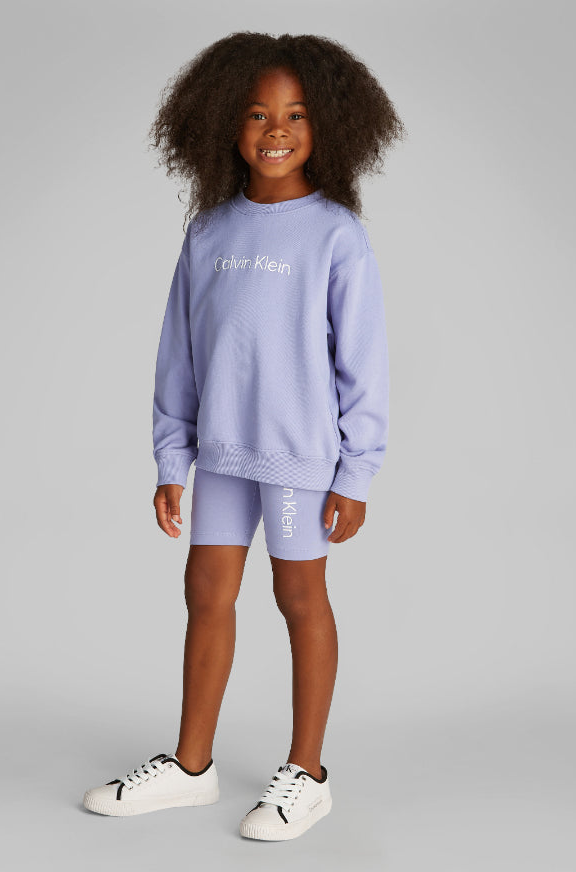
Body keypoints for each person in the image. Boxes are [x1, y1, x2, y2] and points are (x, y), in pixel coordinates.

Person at [83, 31, 405, 841]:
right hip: (222, 454)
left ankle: (308, 774)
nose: (276, 129)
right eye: (258, 113)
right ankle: (192, 767)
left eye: (296, 114)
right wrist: (171, 458)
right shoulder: (209, 232)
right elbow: (179, 355)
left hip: (300, 460)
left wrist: (356, 474)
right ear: (224, 120)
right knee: (205, 594)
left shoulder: (335, 234)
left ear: (328, 125)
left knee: (299, 598)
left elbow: (363, 363)